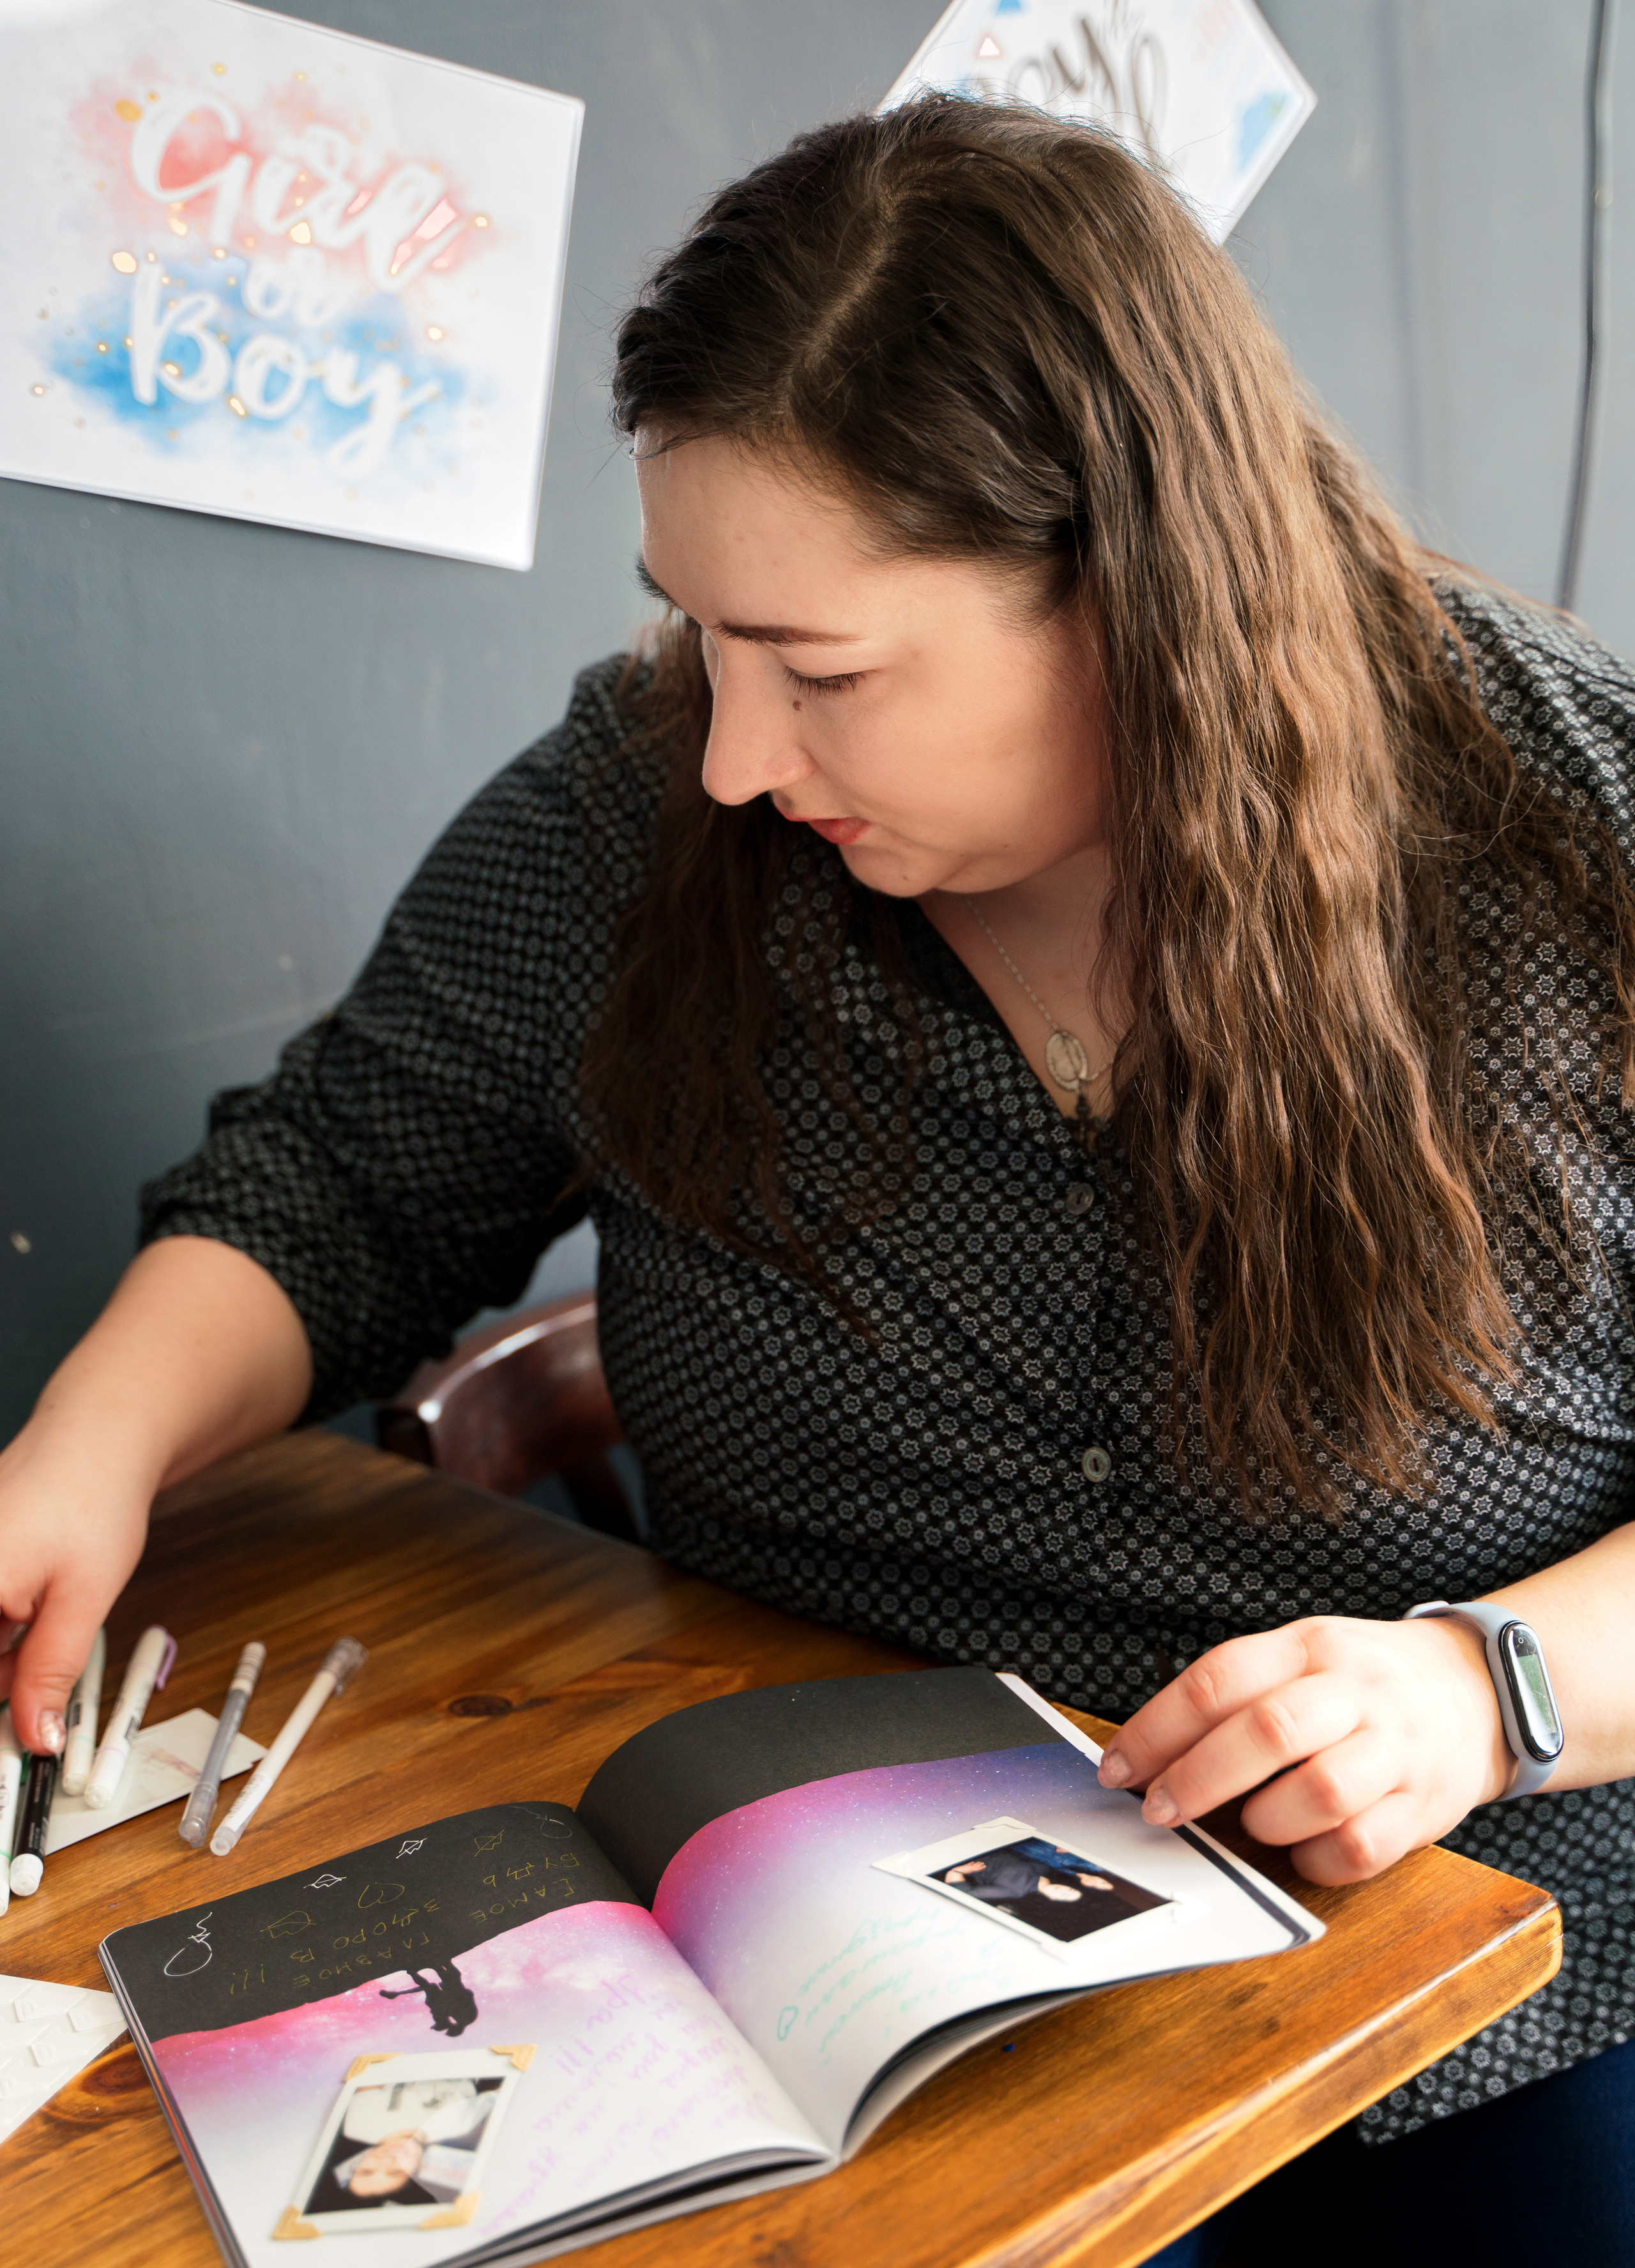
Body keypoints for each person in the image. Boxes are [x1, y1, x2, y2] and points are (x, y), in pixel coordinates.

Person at [1, 94, 1632, 2261]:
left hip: (1463, 1975)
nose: (736, 761)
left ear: (1142, 596)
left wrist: (1479, 1689)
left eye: (829, 674)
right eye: (704, 637)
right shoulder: (640, 819)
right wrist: (88, 1448)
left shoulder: (1577, 844)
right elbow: (345, 1189)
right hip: (805, 1966)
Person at [328, 2075, 496, 2206]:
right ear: (419, 2170)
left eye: (366, 2171)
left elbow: (370, 2075)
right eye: (396, 2171)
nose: (387, 2161)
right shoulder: (460, 2126)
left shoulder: (358, 2127)